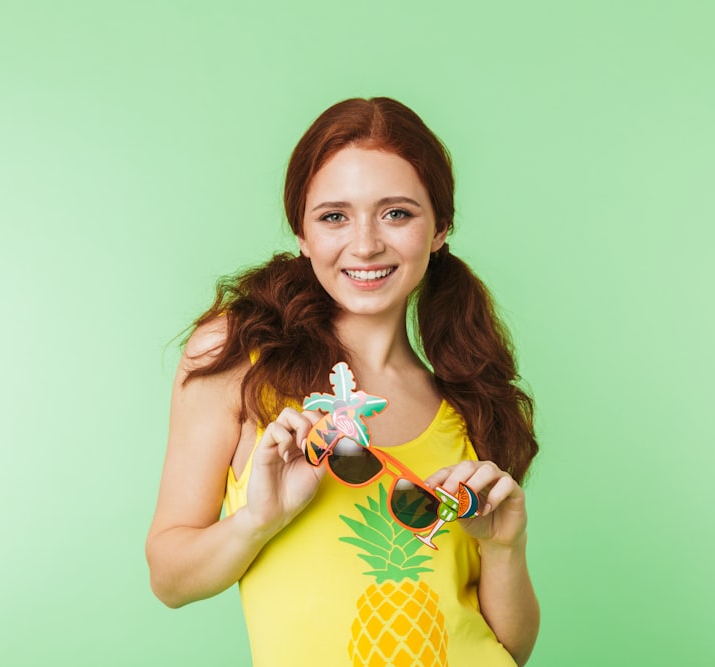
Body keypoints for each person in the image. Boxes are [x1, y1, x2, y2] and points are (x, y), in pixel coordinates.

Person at [146, 97, 540, 667]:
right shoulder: (238, 357)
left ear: (440, 228)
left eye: (396, 213)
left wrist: (505, 546)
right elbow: (170, 579)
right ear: (302, 234)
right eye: (334, 216)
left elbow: (510, 648)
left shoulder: (467, 402)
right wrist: (259, 520)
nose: (365, 245)